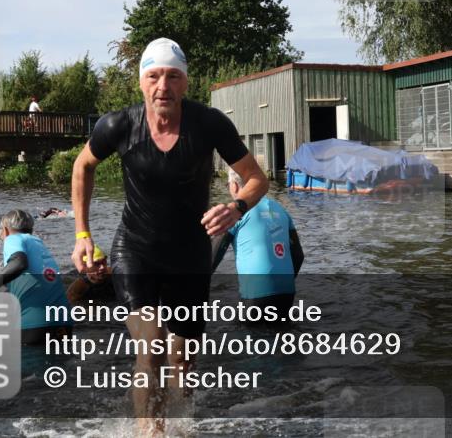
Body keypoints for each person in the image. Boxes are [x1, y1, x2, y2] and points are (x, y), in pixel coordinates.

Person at [70, 37, 268, 436]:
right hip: (136, 249)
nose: (163, 86)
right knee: (153, 343)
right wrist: (82, 234)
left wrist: (236, 208)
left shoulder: (209, 124)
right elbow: (82, 166)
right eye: (154, 76)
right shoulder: (119, 125)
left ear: (185, 83)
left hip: (190, 253)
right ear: (141, 82)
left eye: (173, 76)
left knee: (184, 360)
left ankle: (182, 424)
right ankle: (152, 432)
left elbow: (256, 178)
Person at [0, 209, 72, 345]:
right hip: (64, 324)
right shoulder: (38, 244)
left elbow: (19, 263)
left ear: (6, 229)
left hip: (35, 325)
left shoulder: (13, 239)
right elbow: (29, 283)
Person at [212, 170, 304, 317]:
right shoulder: (280, 209)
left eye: (227, 184)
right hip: (287, 293)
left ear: (234, 186)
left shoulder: (234, 214)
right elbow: (298, 256)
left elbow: (212, 257)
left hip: (256, 295)